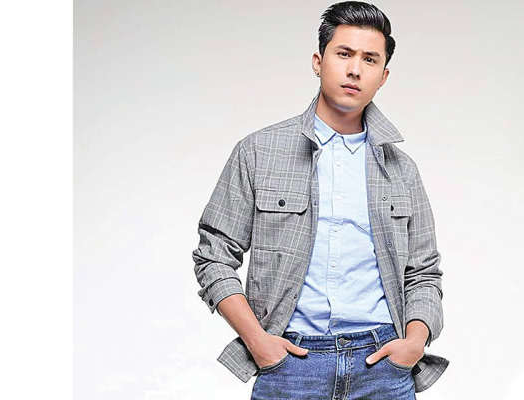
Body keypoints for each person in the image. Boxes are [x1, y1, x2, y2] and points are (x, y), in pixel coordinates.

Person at [192, 2, 448, 398]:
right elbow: (213, 255)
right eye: (344, 54)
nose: (354, 69)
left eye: (369, 59)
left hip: (382, 366)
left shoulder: (402, 170)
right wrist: (258, 341)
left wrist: (414, 342)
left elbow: (424, 273)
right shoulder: (259, 152)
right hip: (290, 365)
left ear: (383, 76)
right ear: (318, 61)